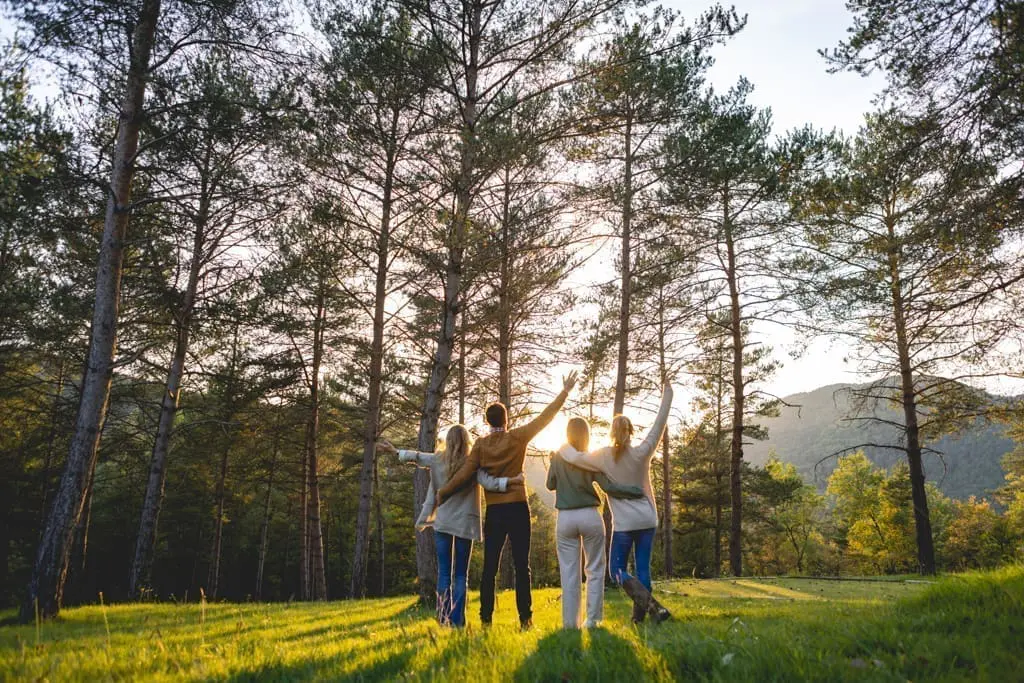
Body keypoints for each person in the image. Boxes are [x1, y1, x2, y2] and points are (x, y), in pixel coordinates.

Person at [437, 371, 580, 630]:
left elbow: (464, 475)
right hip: (517, 508)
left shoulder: (480, 445)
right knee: (521, 565)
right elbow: (545, 417)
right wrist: (565, 391)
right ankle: (525, 620)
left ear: (487, 421)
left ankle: (485, 620)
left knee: (490, 566)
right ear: (506, 419)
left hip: (495, 512)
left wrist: (442, 493)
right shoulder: (517, 437)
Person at [376, 425, 524, 628]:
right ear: (467, 441)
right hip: (464, 524)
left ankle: (444, 618)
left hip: (443, 522)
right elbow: (489, 483)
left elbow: (418, 457)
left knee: (444, 573)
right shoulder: (472, 463)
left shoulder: (438, 459)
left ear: (449, 440)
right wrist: (512, 481)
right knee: (461, 575)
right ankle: (458, 621)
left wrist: (395, 452)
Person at [558, 384, 674, 624]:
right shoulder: (643, 451)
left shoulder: (603, 456)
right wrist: (668, 394)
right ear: (630, 431)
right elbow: (658, 425)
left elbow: (576, 458)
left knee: (616, 571)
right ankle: (639, 619)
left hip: (624, 525)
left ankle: (650, 608)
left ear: (611, 433)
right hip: (647, 520)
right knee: (643, 569)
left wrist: (562, 448)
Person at [546, 417, 645, 629]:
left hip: (565, 518)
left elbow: (550, 484)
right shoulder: (589, 459)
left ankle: (570, 624)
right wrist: (636, 491)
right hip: (589, 516)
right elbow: (609, 487)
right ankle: (592, 621)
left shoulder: (558, 457)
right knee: (595, 570)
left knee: (569, 572)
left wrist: (552, 461)